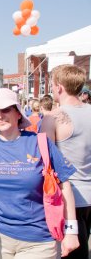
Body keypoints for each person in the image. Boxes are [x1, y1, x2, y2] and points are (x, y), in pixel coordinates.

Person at [0, 88, 79, 258]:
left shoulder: (40, 143)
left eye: (6, 109)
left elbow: (65, 185)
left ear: (17, 113)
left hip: (39, 240)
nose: (0, 115)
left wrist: (71, 231)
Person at [41, 64, 91, 258]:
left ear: (59, 87)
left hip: (69, 200)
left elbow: (45, 162)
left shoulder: (53, 118)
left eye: (52, 86)